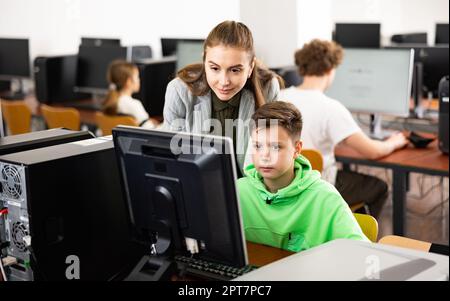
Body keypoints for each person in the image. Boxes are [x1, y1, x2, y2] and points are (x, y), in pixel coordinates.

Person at [279, 39, 408, 219]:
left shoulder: (278, 97)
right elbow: (373, 152)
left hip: (283, 186)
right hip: (319, 186)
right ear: (330, 70)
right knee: (379, 187)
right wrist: (394, 142)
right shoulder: (330, 107)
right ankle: (355, 238)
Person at [237, 101, 368, 252]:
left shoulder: (324, 198)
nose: (264, 156)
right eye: (257, 146)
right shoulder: (238, 191)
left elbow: (360, 254)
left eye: (276, 147)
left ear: (297, 149)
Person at [163, 20, 283, 175]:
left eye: (235, 70)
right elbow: (172, 160)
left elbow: (270, 158)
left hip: (249, 189)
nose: (224, 81)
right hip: (197, 186)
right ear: (204, 61)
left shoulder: (268, 88)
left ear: (250, 68)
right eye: (214, 68)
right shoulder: (179, 91)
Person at [103, 60, 159, 129]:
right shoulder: (134, 104)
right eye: (137, 77)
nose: (139, 80)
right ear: (129, 81)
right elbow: (151, 130)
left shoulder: (108, 102)